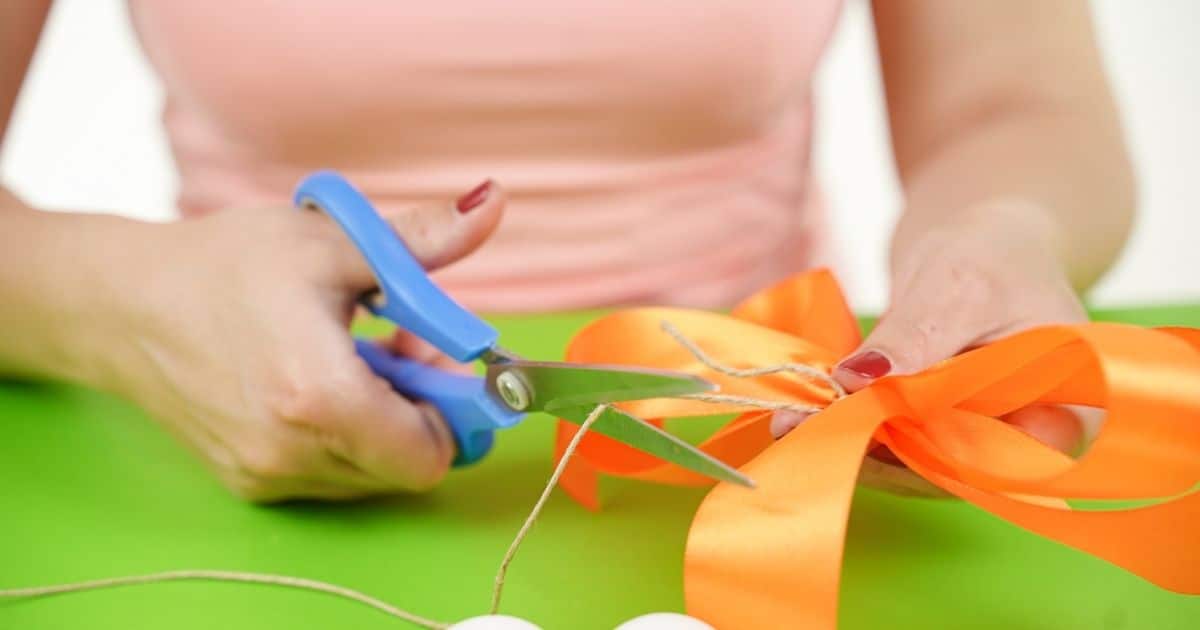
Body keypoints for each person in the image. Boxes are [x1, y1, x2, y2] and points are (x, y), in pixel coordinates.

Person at [0, 2, 1133, 501]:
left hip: (784, 451)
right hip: (217, 448)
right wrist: (118, 301)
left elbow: (1017, 102)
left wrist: (1001, 230)